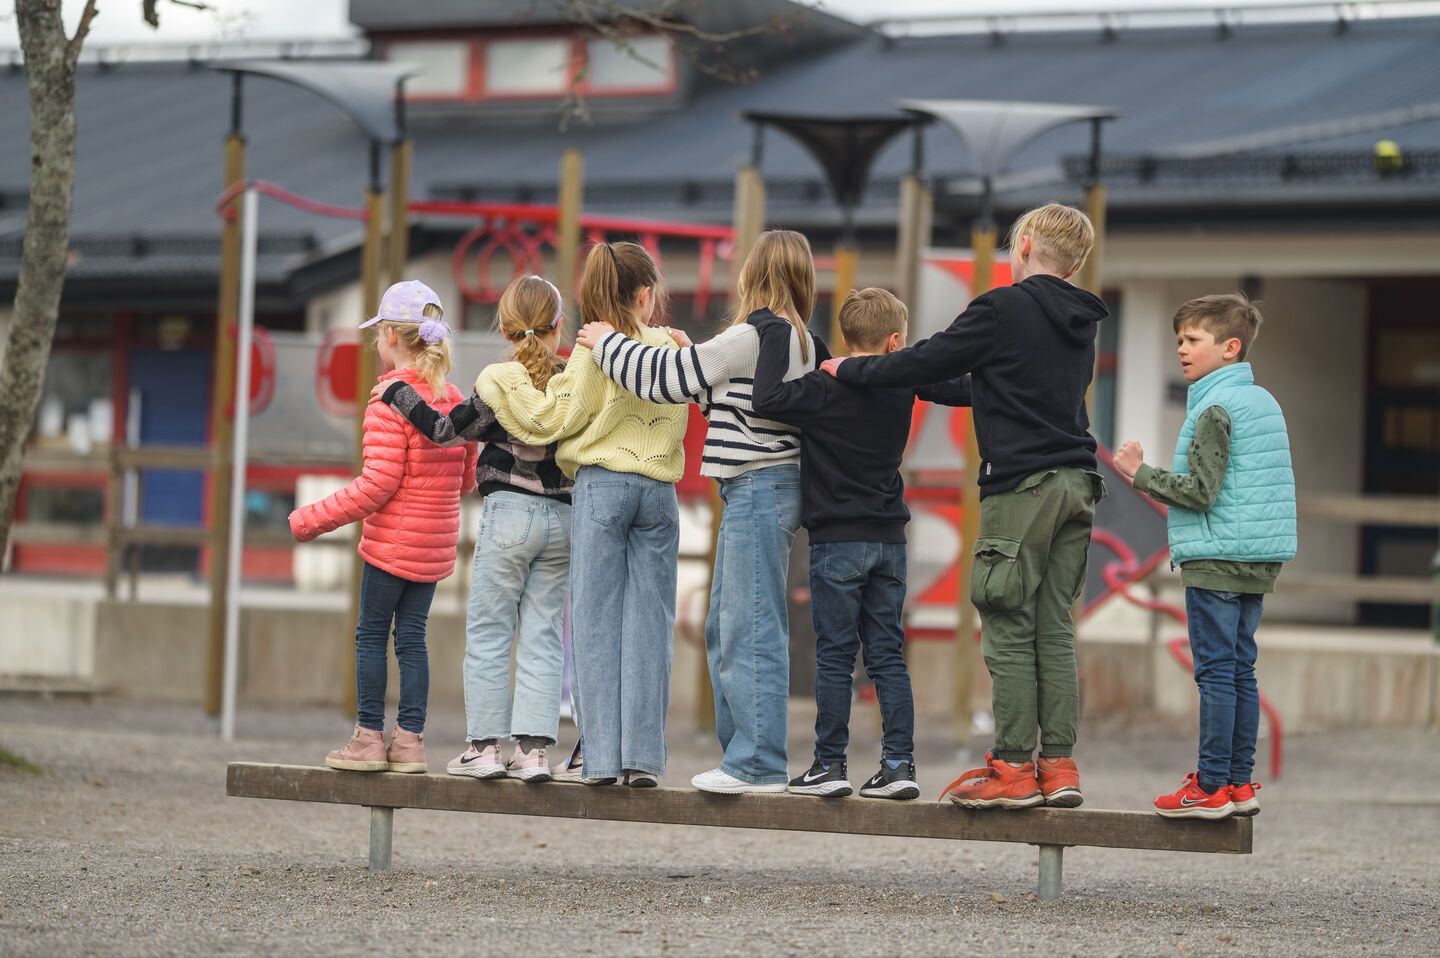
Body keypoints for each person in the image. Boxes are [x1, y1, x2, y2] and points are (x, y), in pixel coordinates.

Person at [823, 204, 1108, 810]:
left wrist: (855, 367)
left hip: (1021, 486)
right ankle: (1057, 767)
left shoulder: (1003, 307)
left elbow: (933, 358)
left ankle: (1010, 767)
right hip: (1077, 483)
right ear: (1076, 260)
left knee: (1005, 619)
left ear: (1025, 243)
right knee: (1053, 627)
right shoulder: (1081, 320)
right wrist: (903, 376)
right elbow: (981, 384)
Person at [575, 229, 822, 794]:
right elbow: (726, 403)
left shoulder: (752, 334)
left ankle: (756, 762)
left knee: (748, 625)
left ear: (753, 276)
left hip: (757, 488)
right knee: (726, 623)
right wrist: (692, 358)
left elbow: (663, 382)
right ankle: (743, 754)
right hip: (769, 486)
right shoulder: (801, 340)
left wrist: (607, 342)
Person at [472, 242, 689, 788]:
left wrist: (500, 381)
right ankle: (643, 758)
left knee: (593, 624)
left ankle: (601, 760)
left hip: (602, 488)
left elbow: (548, 421)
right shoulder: (670, 346)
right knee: (650, 625)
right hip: (660, 492)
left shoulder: (594, 349)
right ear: (645, 295)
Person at [751, 288, 970, 799]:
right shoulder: (902, 381)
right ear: (895, 341)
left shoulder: (823, 389)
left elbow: (766, 400)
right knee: (887, 655)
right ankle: (899, 766)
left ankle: (829, 765)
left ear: (848, 338)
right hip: (889, 539)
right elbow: (960, 389)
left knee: (835, 656)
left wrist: (772, 332)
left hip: (836, 541)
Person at [380, 275, 574, 783]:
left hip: (509, 512)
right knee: (544, 633)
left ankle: (484, 748)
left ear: (506, 328)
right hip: (563, 519)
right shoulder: (575, 379)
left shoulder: (497, 383)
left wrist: (400, 394)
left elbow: (445, 432)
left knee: (490, 631)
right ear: (559, 326)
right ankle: (534, 752)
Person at [1113, 292, 1295, 820]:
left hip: (1216, 557)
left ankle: (1211, 784)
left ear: (1230, 347)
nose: (1182, 350)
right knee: (1240, 669)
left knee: (1215, 672)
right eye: (1178, 341)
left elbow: (1200, 491)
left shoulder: (1215, 407)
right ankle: (1239, 783)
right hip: (1257, 559)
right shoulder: (1263, 401)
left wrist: (1138, 472)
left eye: (1193, 340)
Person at [290, 281, 476, 774]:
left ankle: (368, 738)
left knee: (372, 636)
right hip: (434, 550)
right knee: (412, 638)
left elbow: (377, 485)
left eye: (379, 333)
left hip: (390, 548)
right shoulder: (454, 398)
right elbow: (468, 478)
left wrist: (311, 518)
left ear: (392, 336)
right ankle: (410, 744)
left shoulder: (387, 402)